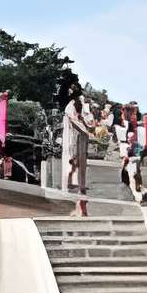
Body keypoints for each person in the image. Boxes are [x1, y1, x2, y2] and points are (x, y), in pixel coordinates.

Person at [61, 86, 90, 216]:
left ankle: (79, 187)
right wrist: (86, 130)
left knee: (80, 164)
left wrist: (87, 127)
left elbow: (85, 119)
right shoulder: (69, 107)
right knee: (72, 162)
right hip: (73, 138)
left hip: (80, 139)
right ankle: (70, 186)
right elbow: (73, 121)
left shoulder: (81, 106)